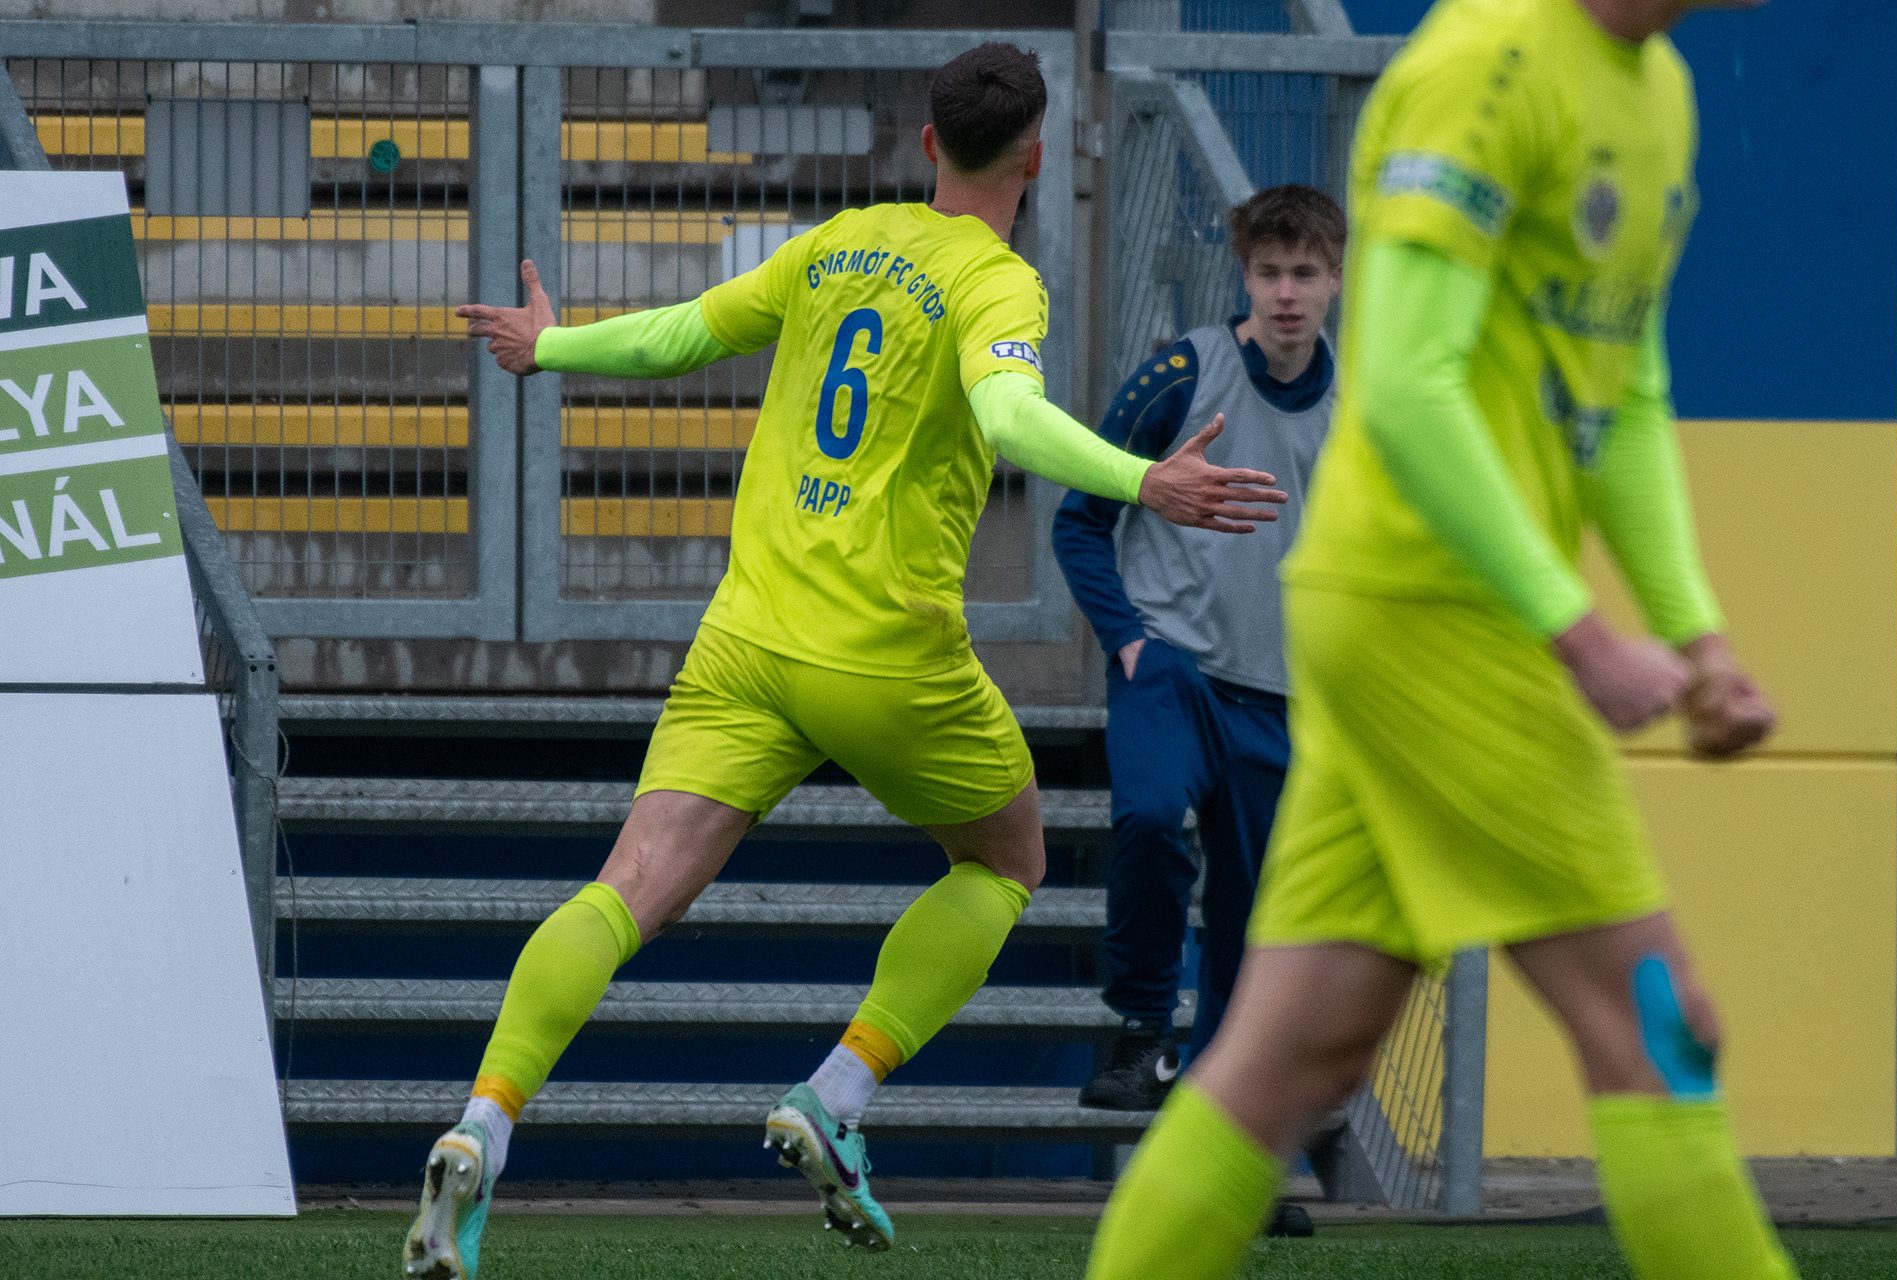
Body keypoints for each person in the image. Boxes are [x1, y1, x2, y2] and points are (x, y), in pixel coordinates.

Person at [401, 42, 1288, 1279]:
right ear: (1034, 158)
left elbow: (683, 335)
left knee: (625, 888)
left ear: (927, 144)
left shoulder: (840, 242)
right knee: (1009, 857)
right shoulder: (999, 282)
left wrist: (552, 347)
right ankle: (836, 1092)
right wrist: (1147, 479)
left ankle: (484, 1120)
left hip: (749, 638)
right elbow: (1010, 416)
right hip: (886, 654)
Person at [1085, 0, 1798, 1276]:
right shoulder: (1486, 66)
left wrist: (1697, 633)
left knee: (1289, 1056)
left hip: (1409, 626)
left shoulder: (1661, 91)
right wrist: (1580, 634)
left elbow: (1626, 395)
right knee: (1662, 1028)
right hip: (1429, 622)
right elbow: (1410, 391)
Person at [1052, 185, 1342, 1110]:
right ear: (1243, 276)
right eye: (1270, 272)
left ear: (1335, 280)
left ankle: (1220, 1107)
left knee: (1252, 916)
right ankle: (1141, 1032)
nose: (1286, 293)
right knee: (1148, 818)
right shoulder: (1183, 372)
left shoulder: (1363, 409)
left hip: (1283, 695)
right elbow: (1078, 520)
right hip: (1170, 669)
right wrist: (1128, 640)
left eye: (1305, 273)